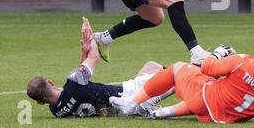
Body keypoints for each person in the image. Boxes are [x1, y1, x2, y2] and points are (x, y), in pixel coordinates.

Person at [110, 37, 254, 124]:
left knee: (177, 69)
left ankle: (131, 103)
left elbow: (206, 67)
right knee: (207, 90)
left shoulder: (243, 61)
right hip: (223, 116)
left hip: (205, 100)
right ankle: (160, 112)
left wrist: (219, 53)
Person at [26, 17, 173, 118]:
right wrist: (90, 36)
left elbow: (79, 76)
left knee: (151, 66)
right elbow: (95, 57)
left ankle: (148, 106)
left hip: (119, 109)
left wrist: (84, 51)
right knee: (177, 73)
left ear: (40, 102)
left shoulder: (56, 111)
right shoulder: (74, 83)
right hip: (130, 94)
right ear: (50, 82)